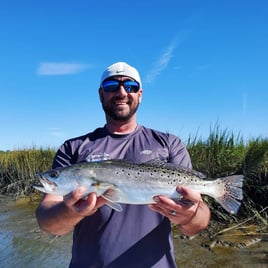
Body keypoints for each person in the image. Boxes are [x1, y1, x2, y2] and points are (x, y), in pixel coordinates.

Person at [36, 62, 211, 268]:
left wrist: (190, 216)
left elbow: (197, 223)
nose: (121, 92)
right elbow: (48, 223)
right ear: (101, 94)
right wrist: (72, 211)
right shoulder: (73, 148)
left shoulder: (169, 143)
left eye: (130, 86)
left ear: (140, 94)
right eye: (111, 86)